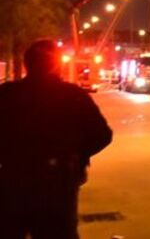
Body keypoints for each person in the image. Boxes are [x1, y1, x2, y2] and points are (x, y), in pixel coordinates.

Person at [0, 39, 113, 239]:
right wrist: (77, 155)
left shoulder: (7, 94)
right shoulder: (73, 96)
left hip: (12, 184)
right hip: (58, 185)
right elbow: (102, 135)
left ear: (27, 64)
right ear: (56, 65)